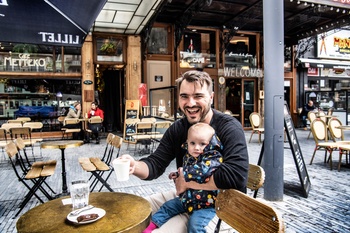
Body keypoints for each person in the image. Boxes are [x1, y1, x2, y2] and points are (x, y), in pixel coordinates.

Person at [119, 70, 249, 232]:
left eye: (198, 96)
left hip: (219, 207)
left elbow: (236, 177)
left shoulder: (228, 127)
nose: (190, 103)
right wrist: (134, 166)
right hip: (187, 198)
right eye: (184, 96)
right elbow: (156, 163)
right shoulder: (179, 128)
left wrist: (186, 181)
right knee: (131, 212)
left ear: (211, 97)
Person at [143, 123, 223, 233]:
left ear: (210, 144)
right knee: (168, 207)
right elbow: (187, 170)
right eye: (192, 143)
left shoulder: (213, 157)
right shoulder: (189, 156)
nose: (196, 147)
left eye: (202, 144)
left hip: (207, 204)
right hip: (188, 198)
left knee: (195, 225)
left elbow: (203, 171)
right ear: (187, 142)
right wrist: (177, 174)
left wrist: (183, 173)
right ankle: (151, 226)